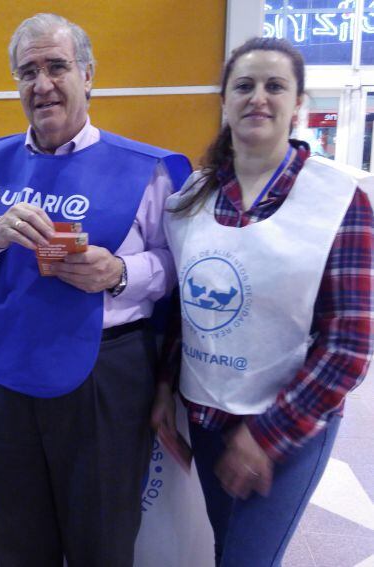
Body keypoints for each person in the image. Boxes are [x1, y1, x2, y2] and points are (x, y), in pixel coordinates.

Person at [0, 13, 190, 567]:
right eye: (28, 71)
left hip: (106, 377)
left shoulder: (146, 169)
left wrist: (120, 273)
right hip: (4, 377)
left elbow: (181, 267)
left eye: (56, 67)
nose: (42, 84)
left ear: (89, 74)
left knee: (102, 541)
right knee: (19, 541)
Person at [154, 37, 374, 566]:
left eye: (275, 86)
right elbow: (182, 312)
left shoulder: (340, 201)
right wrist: (163, 386)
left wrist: (263, 434)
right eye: (244, 86)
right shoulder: (191, 198)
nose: (259, 97)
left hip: (290, 426)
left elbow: (350, 344)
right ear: (224, 101)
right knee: (226, 550)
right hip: (207, 415)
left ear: (297, 103)